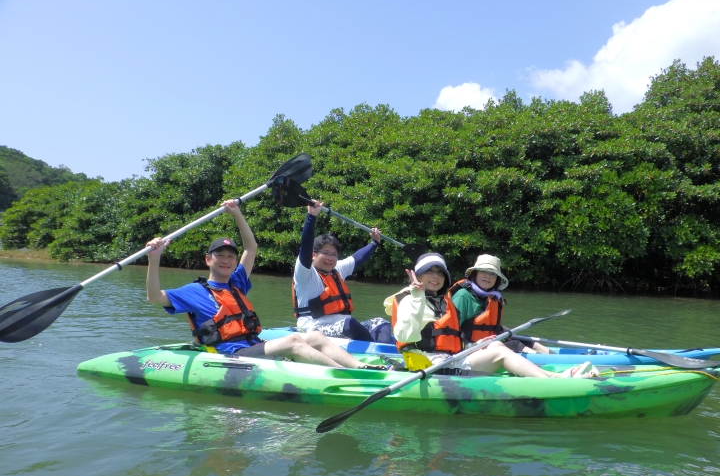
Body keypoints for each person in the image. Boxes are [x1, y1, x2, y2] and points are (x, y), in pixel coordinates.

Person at [145, 199, 381, 369]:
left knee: (317, 338)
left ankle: (361, 367)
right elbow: (154, 297)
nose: (226, 261)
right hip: (232, 354)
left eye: (230, 256)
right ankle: (344, 374)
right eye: (220, 256)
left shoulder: (237, 282)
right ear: (208, 260)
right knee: (294, 341)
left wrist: (236, 213)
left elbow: (251, 247)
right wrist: (154, 259)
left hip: (254, 345)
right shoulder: (194, 291)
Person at [383, 253, 596, 378]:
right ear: (418, 276)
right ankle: (555, 381)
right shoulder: (409, 299)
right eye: (429, 272)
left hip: (448, 359)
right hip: (431, 368)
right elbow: (405, 333)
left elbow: (450, 339)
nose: (435, 277)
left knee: (495, 345)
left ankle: (555, 375)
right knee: (500, 354)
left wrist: (474, 345)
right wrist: (417, 296)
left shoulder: (440, 300)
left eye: (440, 273)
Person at [292, 199, 393, 343]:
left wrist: (374, 243)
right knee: (350, 324)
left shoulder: (336, 269)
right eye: (325, 253)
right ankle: (373, 351)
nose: (330, 258)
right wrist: (311, 216)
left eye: (334, 254)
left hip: (344, 325)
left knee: (381, 323)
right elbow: (305, 246)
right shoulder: (305, 274)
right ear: (313, 254)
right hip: (316, 329)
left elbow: (357, 258)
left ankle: (384, 350)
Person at [450, 254, 551, 354]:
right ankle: (545, 364)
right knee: (515, 344)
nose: (487, 276)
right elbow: (451, 331)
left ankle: (555, 358)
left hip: (489, 343)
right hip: (469, 348)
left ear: (496, 279)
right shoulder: (463, 296)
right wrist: (471, 346)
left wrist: (504, 329)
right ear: (475, 273)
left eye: (492, 274)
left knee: (526, 340)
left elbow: (488, 326)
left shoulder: (492, 297)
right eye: (483, 271)